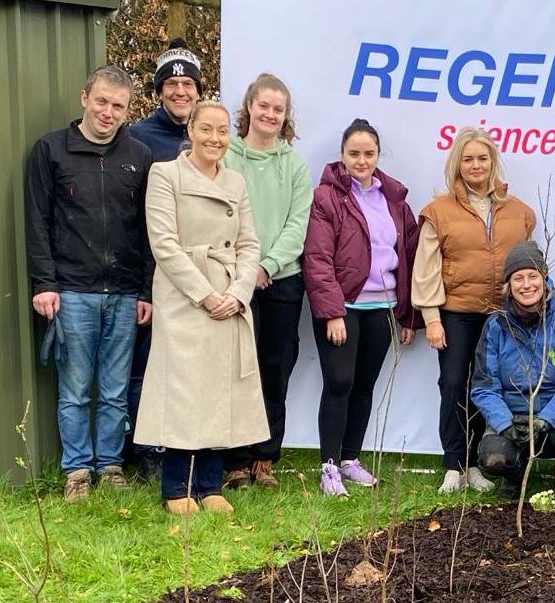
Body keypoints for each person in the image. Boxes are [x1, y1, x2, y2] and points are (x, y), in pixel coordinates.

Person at [23, 65, 153, 504]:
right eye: (101, 101)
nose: (108, 111)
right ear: (84, 98)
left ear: (128, 109)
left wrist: (145, 291)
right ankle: (77, 469)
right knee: (75, 388)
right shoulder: (51, 151)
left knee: (115, 389)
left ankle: (111, 465)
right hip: (72, 290)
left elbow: (147, 231)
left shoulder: (139, 156)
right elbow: (37, 222)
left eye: (118, 105)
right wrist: (45, 282)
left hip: (123, 292)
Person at [135, 101, 265, 515]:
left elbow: (249, 245)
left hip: (228, 298)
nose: (215, 138)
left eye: (223, 131)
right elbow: (164, 244)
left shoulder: (236, 182)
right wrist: (204, 294)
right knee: (183, 390)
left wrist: (239, 293)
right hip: (185, 297)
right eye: (206, 128)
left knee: (221, 391)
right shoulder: (165, 174)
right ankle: (176, 488)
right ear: (190, 129)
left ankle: (210, 485)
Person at [414, 127, 538, 495]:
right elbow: (425, 268)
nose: (476, 165)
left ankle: (478, 464)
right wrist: (432, 319)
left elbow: (528, 262)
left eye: (482, 158)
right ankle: (454, 465)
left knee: (489, 389)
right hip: (457, 313)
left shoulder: (519, 212)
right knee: (453, 385)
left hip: (501, 317)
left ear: (493, 162)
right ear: (457, 164)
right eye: (467, 159)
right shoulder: (439, 211)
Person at [301, 119, 418, 496]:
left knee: (364, 386)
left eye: (368, 153)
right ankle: (329, 466)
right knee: (339, 383)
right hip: (344, 306)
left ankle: (350, 459)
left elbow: (410, 257)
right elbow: (317, 258)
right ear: (342, 155)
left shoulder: (395, 200)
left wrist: (408, 314)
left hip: (382, 307)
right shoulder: (326, 198)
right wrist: (333, 311)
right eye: (354, 153)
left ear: (378, 156)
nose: (361, 160)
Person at [220, 73, 312, 491]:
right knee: (238, 369)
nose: (271, 114)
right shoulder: (227, 157)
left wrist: (267, 266)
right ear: (249, 108)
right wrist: (243, 269)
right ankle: (235, 461)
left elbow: (298, 225)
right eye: (264, 106)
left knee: (275, 369)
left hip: (282, 281)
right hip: (233, 279)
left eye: (279, 109)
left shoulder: (293, 165)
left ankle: (265, 457)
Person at [124, 39, 205, 481]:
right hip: (154, 269)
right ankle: (146, 450)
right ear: (159, 91)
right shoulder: (138, 137)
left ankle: (187, 448)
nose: (180, 91)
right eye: (171, 84)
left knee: (188, 365)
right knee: (147, 365)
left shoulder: (208, 137)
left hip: (199, 274)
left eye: (187, 83)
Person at [471, 242, 555, 509]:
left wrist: (543, 420)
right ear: (509, 285)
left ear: (545, 280)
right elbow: (484, 386)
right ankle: (514, 476)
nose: (526, 285)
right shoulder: (495, 326)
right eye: (518, 278)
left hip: (552, 424)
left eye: (533, 276)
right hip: (510, 420)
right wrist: (505, 423)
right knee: (493, 458)